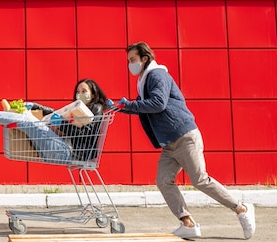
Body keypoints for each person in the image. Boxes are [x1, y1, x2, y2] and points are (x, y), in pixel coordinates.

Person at [107, 42, 256, 239]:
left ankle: (241, 209)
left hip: (185, 137)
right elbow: (143, 106)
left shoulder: (157, 75)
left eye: (133, 60)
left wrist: (130, 104)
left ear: (144, 59)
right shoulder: (144, 81)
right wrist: (120, 107)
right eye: (128, 61)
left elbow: (158, 103)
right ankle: (188, 223)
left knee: (200, 179)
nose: (130, 64)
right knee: (163, 180)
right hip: (169, 143)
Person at [0, 79, 107, 164]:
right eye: (78, 91)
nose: (79, 94)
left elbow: (86, 134)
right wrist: (36, 106)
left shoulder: (96, 109)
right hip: (60, 149)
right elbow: (57, 114)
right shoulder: (77, 108)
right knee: (26, 115)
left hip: (68, 153)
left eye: (84, 91)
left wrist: (61, 124)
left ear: (93, 93)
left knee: (28, 120)